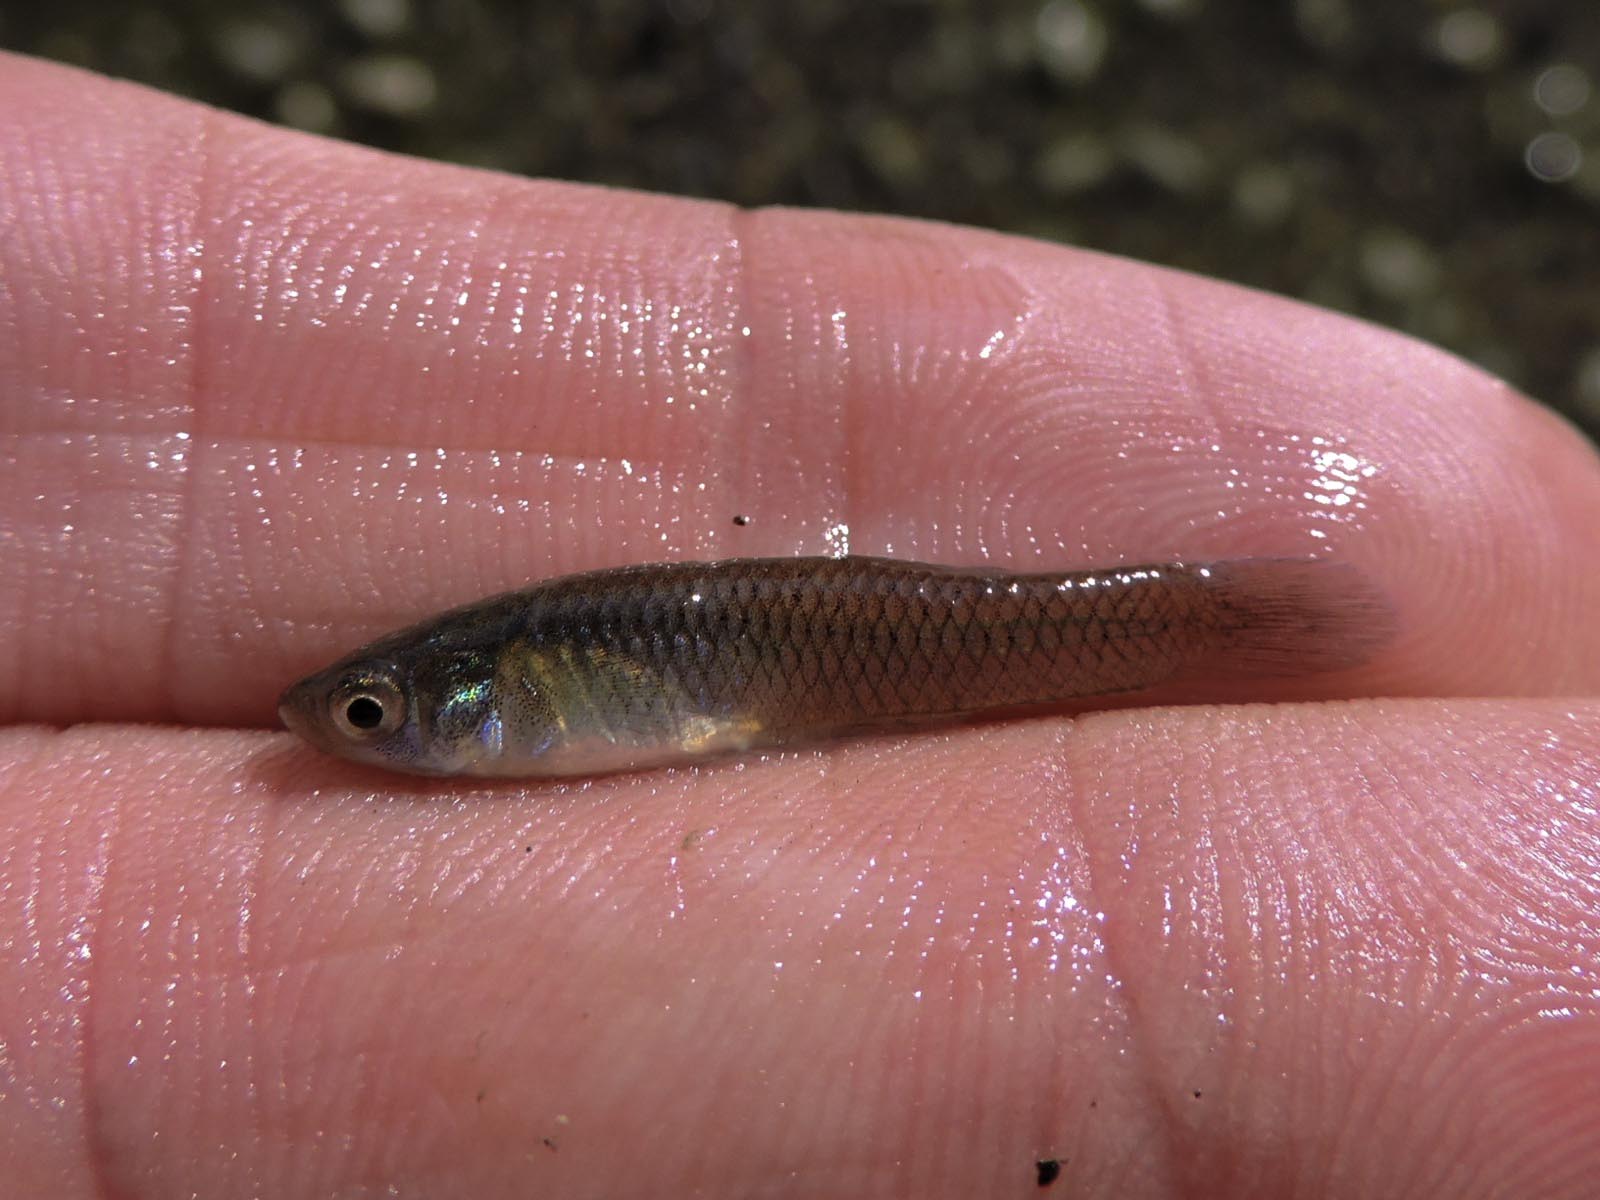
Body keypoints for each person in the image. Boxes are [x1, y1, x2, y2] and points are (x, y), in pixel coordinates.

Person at [2, 50, 1597, 1200]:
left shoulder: (522, 673)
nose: (363, 733)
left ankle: (1211, 623)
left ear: (485, 692)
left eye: (374, 715)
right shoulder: (507, 673)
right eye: (373, 715)